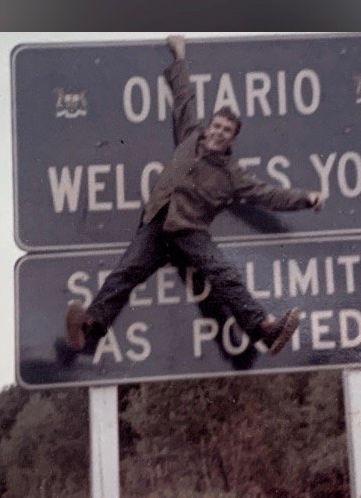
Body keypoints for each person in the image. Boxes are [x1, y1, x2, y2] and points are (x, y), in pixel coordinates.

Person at [65, 34, 324, 356]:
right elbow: (184, 96)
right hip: (156, 224)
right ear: (209, 127)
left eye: (226, 131)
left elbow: (268, 195)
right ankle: (89, 327)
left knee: (225, 274)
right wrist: (180, 54)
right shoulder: (190, 136)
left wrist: (305, 198)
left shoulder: (232, 175)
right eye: (216, 126)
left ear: (232, 139)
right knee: (125, 273)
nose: (218, 132)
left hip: (190, 231)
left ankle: (264, 331)